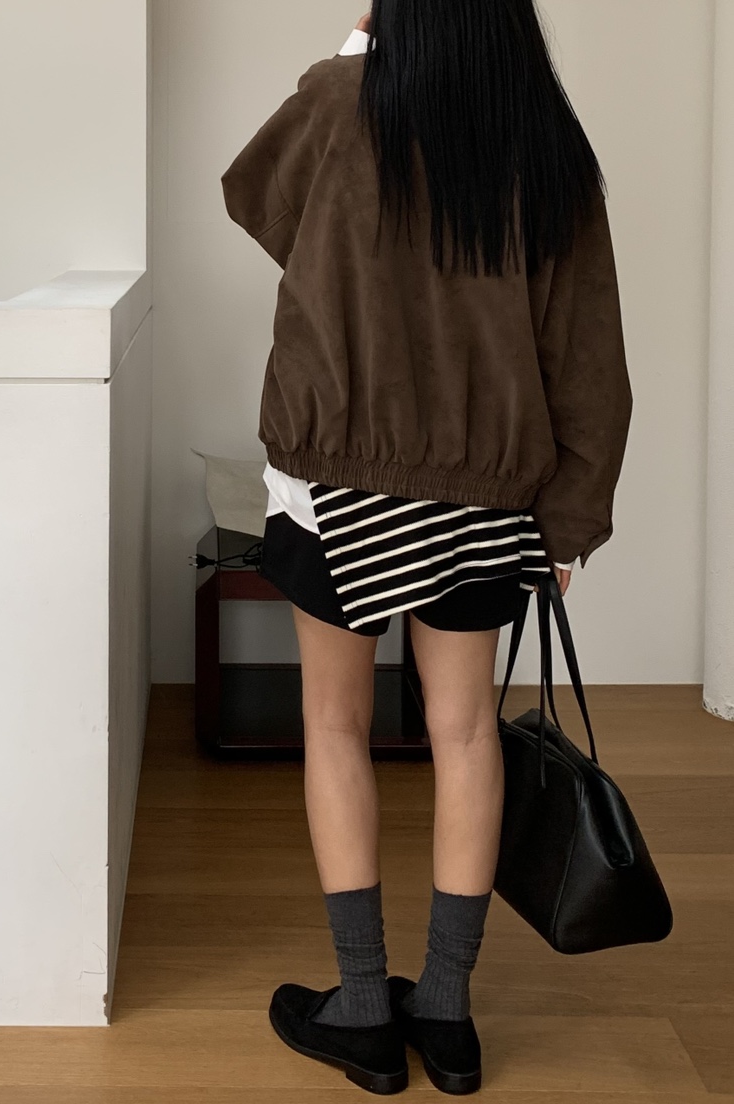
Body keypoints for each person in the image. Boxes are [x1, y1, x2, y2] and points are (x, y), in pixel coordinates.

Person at [221, 0, 632, 1095]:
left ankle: (363, 1007)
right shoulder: (547, 141)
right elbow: (587, 351)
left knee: (334, 725)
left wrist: (354, 51)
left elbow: (257, 200)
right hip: (488, 492)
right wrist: (572, 520)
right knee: (466, 734)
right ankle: (445, 1014)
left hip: (336, 482)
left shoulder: (340, 104)